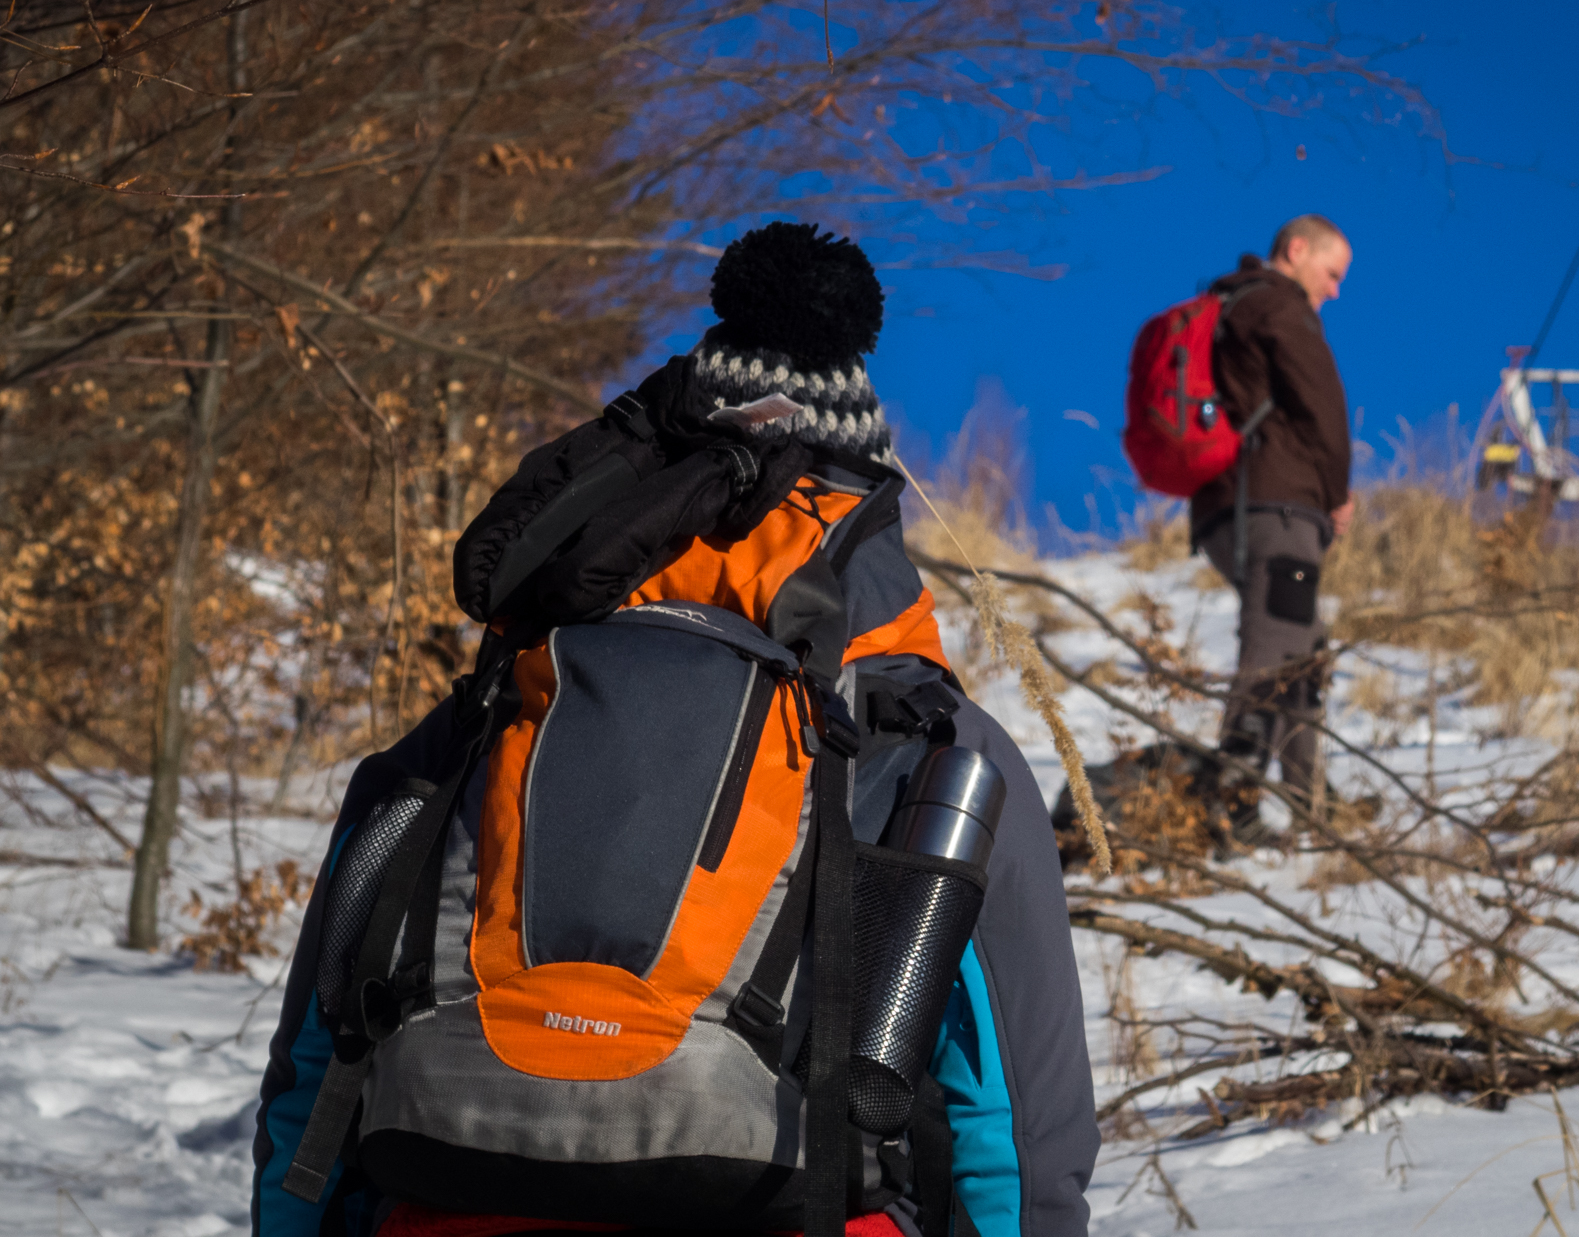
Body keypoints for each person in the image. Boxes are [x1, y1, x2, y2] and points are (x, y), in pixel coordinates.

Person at [250, 224, 1098, 1237]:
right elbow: (1012, 1130)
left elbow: (316, 1072)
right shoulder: (930, 741)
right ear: (864, 495)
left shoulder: (492, 705)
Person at [1190, 214, 1355, 843]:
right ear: (1297, 250)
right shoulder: (1278, 306)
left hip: (1224, 507)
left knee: (1301, 645)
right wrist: (1336, 495)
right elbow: (1324, 405)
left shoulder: (1229, 306)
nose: (1336, 291)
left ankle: (1312, 798)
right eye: (1332, 273)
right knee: (1272, 651)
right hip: (1279, 510)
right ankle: (1229, 804)